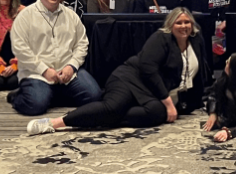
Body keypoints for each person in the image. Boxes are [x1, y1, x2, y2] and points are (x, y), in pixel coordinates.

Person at [26, 8, 210, 134]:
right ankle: (55, 123)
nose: (184, 26)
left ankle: (105, 119)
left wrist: (196, 103)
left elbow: (198, 72)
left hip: (150, 90)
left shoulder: (196, 40)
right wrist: (169, 103)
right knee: (112, 107)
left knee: (157, 113)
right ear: (171, 25)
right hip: (130, 77)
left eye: (187, 22)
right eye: (179, 22)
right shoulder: (161, 38)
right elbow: (148, 70)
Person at [10, 0, 102, 116]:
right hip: (37, 73)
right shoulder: (26, 16)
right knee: (36, 105)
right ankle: (19, 96)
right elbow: (19, 48)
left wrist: (72, 66)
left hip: (68, 72)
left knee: (94, 97)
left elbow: (82, 44)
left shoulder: (71, 16)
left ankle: (52, 94)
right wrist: (44, 70)